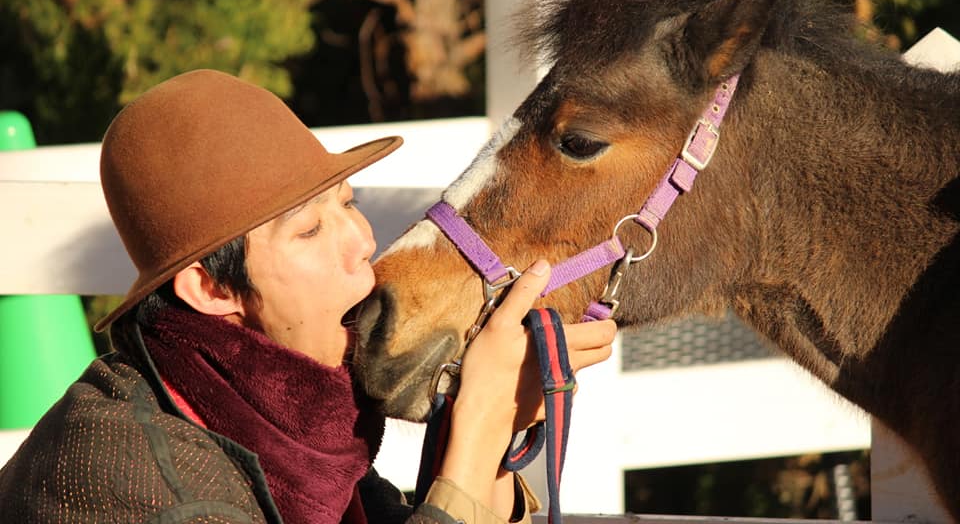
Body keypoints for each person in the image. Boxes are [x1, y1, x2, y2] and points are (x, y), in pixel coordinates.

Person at [0, 69, 617, 523]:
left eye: (347, 204)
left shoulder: (274, 421)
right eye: (309, 229)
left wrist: (494, 419)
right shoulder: (138, 485)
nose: (363, 243)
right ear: (211, 286)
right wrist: (478, 424)